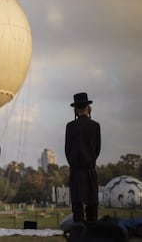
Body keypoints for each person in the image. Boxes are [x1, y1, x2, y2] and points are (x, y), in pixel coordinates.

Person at [65, 92, 101, 223]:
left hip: (76, 171)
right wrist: (89, 161)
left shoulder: (70, 127)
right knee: (92, 206)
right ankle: (93, 232)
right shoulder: (95, 126)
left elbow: (67, 150)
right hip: (90, 170)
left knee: (77, 207)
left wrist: (74, 164)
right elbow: (97, 149)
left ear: (75, 110)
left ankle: (79, 233)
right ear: (88, 108)